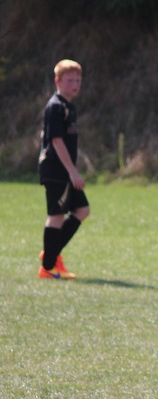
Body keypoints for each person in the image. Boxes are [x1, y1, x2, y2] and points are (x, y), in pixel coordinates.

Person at [37, 60, 89, 279]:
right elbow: (56, 141)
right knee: (57, 215)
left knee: (82, 210)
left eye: (77, 80)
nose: (74, 84)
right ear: (58, 81)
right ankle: (48, 267)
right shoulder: (56, 106)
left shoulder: (69, 106)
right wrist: (72, 171)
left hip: (64, 170)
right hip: (57, 170)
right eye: (69, 80)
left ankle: (50, 253)